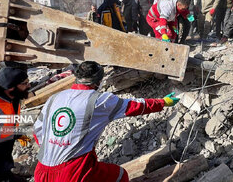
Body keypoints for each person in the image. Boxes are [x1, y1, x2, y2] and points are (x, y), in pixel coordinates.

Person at [33, 61, 180, 182]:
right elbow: (134, 106)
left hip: (41, 172)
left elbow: (37, 132)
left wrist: (58, 146)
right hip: (73, 172)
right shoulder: (100, 101)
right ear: (99, 81)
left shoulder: (54, 98)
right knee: (120, 176)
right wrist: (162, 102)